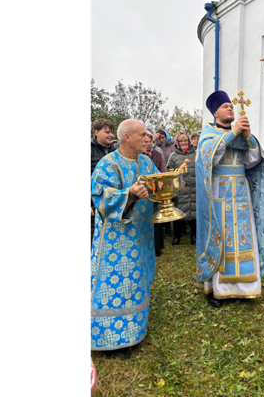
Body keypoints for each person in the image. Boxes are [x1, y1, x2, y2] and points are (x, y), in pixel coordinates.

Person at [194, 90, 264, 308]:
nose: (230, 108)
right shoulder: (208, 134)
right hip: (218, 196)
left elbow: (253, 160)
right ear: (216, 112)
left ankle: (245, 287)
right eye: (225, 106)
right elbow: (209, 158)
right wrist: (232, 133)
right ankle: (216, 289)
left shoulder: (240, 134)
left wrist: (248, 138)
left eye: (231, 105)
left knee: (243, 237)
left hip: (241, 194)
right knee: (220, 239)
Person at [89, 119, 159, 357]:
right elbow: (99, 197)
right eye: (142, 135)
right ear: (127, 137)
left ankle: (135, 328)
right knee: (116, 285)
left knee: (136, 281)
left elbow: (160, 183)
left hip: (140, 234)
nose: (147, 139)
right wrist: (128, 192)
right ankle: (112, 339)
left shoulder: (147, 161)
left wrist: (172, 183)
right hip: (114, 242)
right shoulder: (107, 164)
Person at [167, 132, 197, 245]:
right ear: (178, 143)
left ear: (189, 142)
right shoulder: (173, 156)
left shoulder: (196, 154)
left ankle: (194, 236)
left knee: (194, 212)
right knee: (178, 212)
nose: (183, 143)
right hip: (180, 188)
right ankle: (177, 236)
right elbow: (168, 170)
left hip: (194, 186)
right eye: (181, 141)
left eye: (185, 141)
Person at [90, 119, 116, 248]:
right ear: (96, 132)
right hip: (94, 204)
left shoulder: (115, 150)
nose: (111, 135)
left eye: (112, 132)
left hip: (111, 202)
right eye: (107, 132)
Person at [142, 130, 165, 257]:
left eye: (150, 141)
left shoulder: (157, 154)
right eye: (145, 141)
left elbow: (161, 171)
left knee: (156, 220)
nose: (147, 143)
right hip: (143, 191)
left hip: (156, 190)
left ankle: (157, 247)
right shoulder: (139, 156)